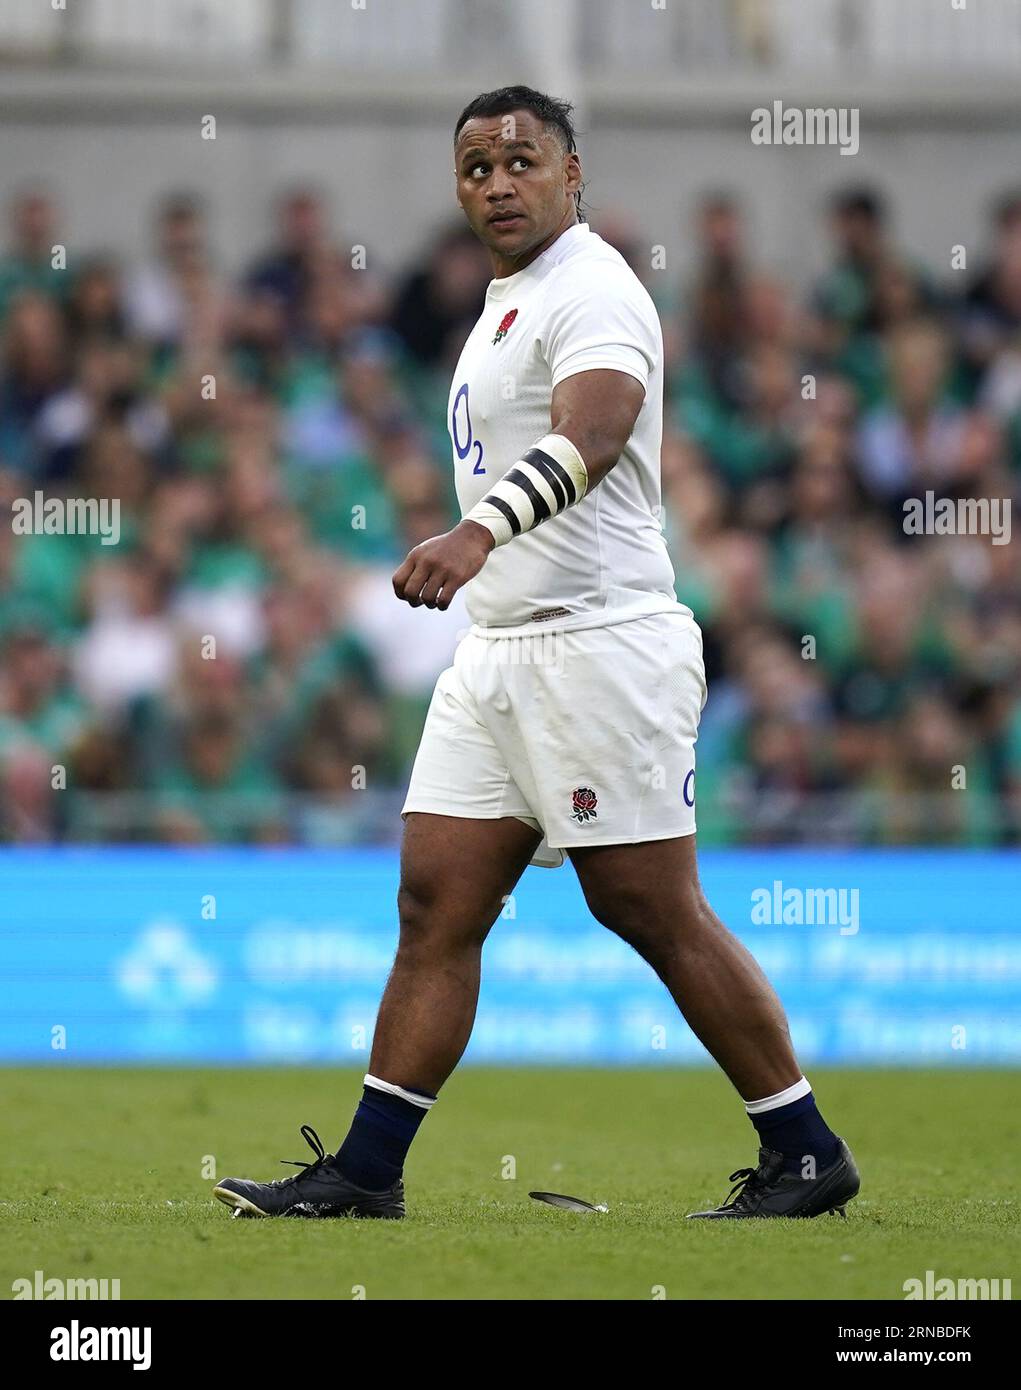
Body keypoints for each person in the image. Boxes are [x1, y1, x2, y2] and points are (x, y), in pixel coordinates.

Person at [214, 86, 860, 1222]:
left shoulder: (593, 283)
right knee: (434, 901)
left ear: (573, 173)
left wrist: (477, 529)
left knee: (649, 906)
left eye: (521, 159)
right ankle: (368, 1172)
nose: (498, 182)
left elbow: (596, 431)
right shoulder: (506, 300)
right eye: (475, 167)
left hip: (598, 638)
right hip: (501, 648)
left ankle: (805, 1150)